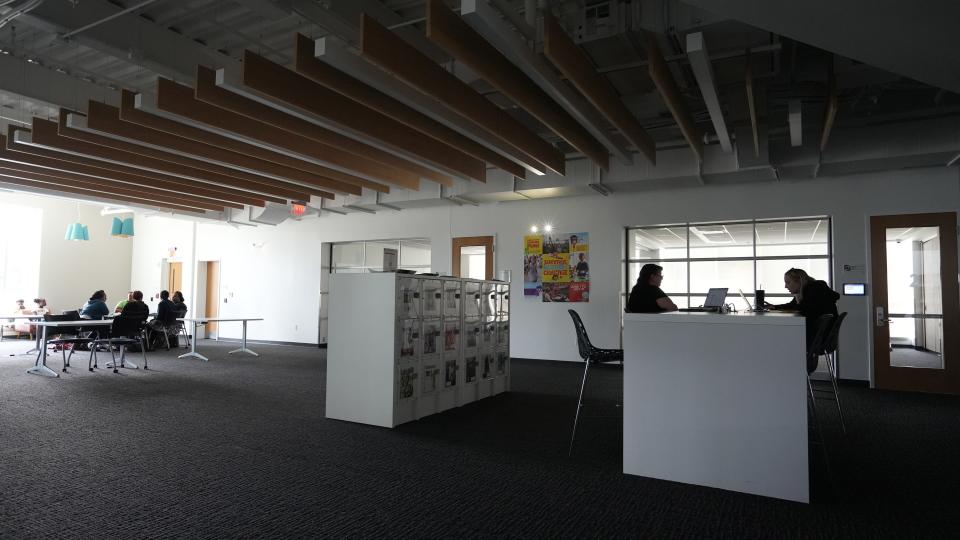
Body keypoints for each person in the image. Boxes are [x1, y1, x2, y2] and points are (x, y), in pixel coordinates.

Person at [765, 268, 840, 373]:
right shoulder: (811, 290)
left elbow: (804, 308)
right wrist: (775, 307)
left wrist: (778, 308)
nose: (785, 286)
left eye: (788, 282)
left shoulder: (814, 290)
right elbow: (795, 306)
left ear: (799, 281)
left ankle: (783, 374)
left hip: (816, 340)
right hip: (821, 339)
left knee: (776, 342)